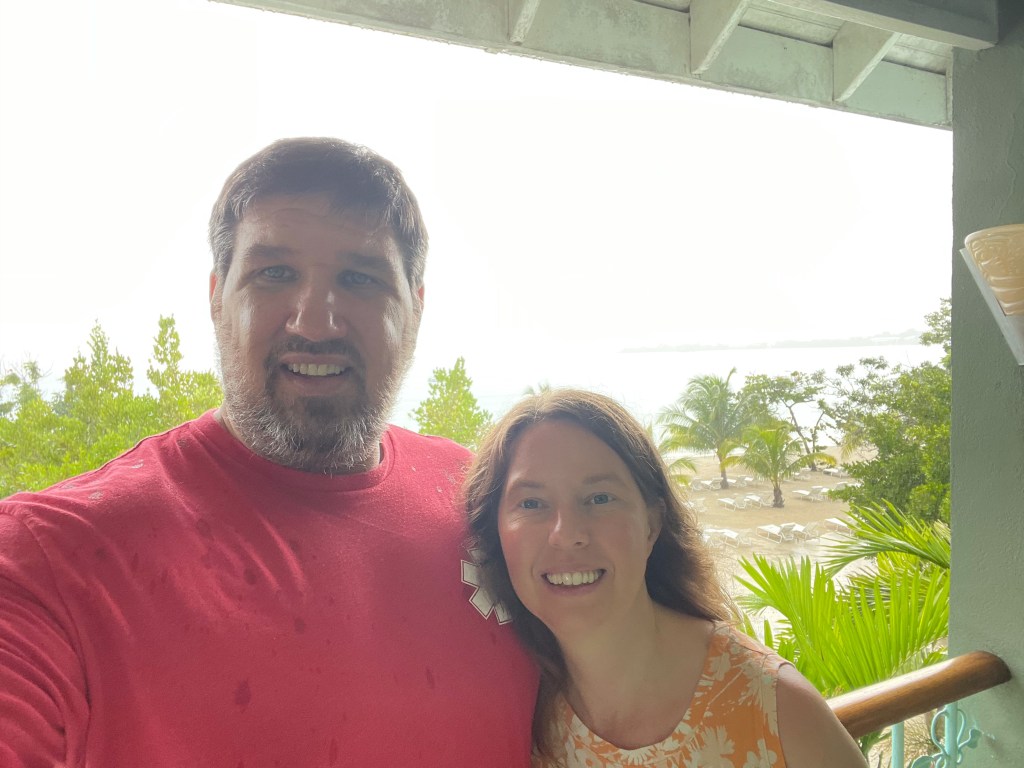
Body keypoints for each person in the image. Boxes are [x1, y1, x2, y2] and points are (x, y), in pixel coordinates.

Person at [0, 138, 537, 767]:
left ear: (415, 308)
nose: (315, 322)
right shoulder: (51, 557)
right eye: (274, 274)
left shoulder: (495, 501)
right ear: (216, 296)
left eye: (360, 278)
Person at [464, 389, 867, 767]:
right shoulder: (515, 707)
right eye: (531, 503)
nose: (567, 533)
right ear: (496, 535)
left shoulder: (775, 710)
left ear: (652, 524)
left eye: (600, 498)